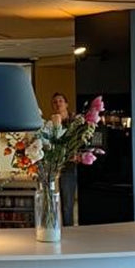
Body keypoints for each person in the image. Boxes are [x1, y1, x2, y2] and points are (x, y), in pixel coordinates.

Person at [50, 92, 77, 226]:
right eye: (55, 102)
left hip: (79, 163)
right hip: (64, 166)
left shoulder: (76, 121)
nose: (58, 103)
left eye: (60, 101)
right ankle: (68, 230)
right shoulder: (52, 124)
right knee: (66, 204)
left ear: (66, 104)